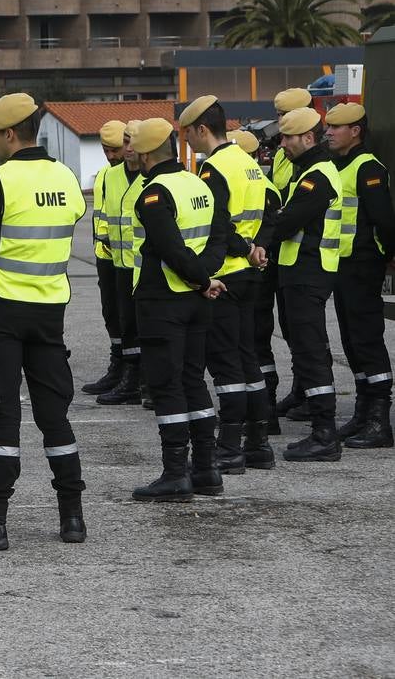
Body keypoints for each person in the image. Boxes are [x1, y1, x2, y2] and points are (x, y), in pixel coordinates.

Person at [0, 93, 87, 551]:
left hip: (2, 310)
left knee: (3, 417)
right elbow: (69, 219)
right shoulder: (65, 178)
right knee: (54, 416)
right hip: (50, 311)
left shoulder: (0, 181)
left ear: (10, 134)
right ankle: (72, 517)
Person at [127, 117, 230, 502]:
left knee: (166, 385)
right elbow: (219, 237)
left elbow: (170, 249)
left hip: (164, 302)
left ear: (147, 152)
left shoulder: (154, 193)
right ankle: (206, 469)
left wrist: (201, 280)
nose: (131, 154)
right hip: (199, 301)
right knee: (193, 381)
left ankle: (175, 474)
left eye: (134, 149)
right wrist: (207, 278)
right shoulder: (197, 183)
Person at [180, 97, 277, 473]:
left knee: (225, 363)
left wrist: (246, 248)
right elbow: (272, 209)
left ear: (202, 130)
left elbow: (218, 227)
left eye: (188, 132)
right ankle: (258, 444)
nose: (187, 140)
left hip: (226, 275)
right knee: (247, 356)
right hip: (252, 274)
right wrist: (261, 247)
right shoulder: (249, 163)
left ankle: (230, 448)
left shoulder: (214, 170)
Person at [271, 106, 343, 462]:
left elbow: (286, 223)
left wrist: (274, 222)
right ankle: (321, 430)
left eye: (288, 137)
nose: (282, 144)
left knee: (312, 352)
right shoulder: (310, 172)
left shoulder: (318, 176)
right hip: (301, 273)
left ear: (309, 138)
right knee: (306, 350)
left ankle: (324, 434)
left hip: (308, 274)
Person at [325, 103, 395, 448]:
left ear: (356, 131)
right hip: (343, 265)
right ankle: (364, 411)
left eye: (336, 127)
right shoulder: (339, 166)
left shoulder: (368, 168)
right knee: (352, 341)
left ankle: (380, 420)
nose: (329, 132)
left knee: (367, 339)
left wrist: (386, 256)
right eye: (328, 127)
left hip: (363, 265)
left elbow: (384, 219)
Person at [234, 128, 288, 435]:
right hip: (252, 272)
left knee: (255, 342)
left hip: (256, 274)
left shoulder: (264, 189)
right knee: (252, 342)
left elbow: (266, 232)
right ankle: (259, 410)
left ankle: (264, 410)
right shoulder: (262, 185)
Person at [268, 88, 311, 422]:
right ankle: (301, 387)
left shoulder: (309, 156)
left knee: (305, 328)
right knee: (289, 323)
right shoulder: (284, 152)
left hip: (304, 252)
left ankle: (310, 391)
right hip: (283, 250)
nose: (279, 121)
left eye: (284, 115)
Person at [97, 121, 147, 407]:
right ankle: (129, 376)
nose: (127, 149)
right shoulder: (112, 176)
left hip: (146, 264)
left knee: (143, 325)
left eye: (131, 143)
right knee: (124, 322)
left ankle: (143, 379)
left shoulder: (151, 177)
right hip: (119, 261)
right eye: (123, 143)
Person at [83, 120, 127, 394]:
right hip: (105, 255)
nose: (111, 156)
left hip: (127, 257)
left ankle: (132, 372)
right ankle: (118, 366)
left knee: (128, 318)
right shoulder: (103, 176)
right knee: (111, 314)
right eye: (105, 151)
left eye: (115, 150)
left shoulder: (133, 174)